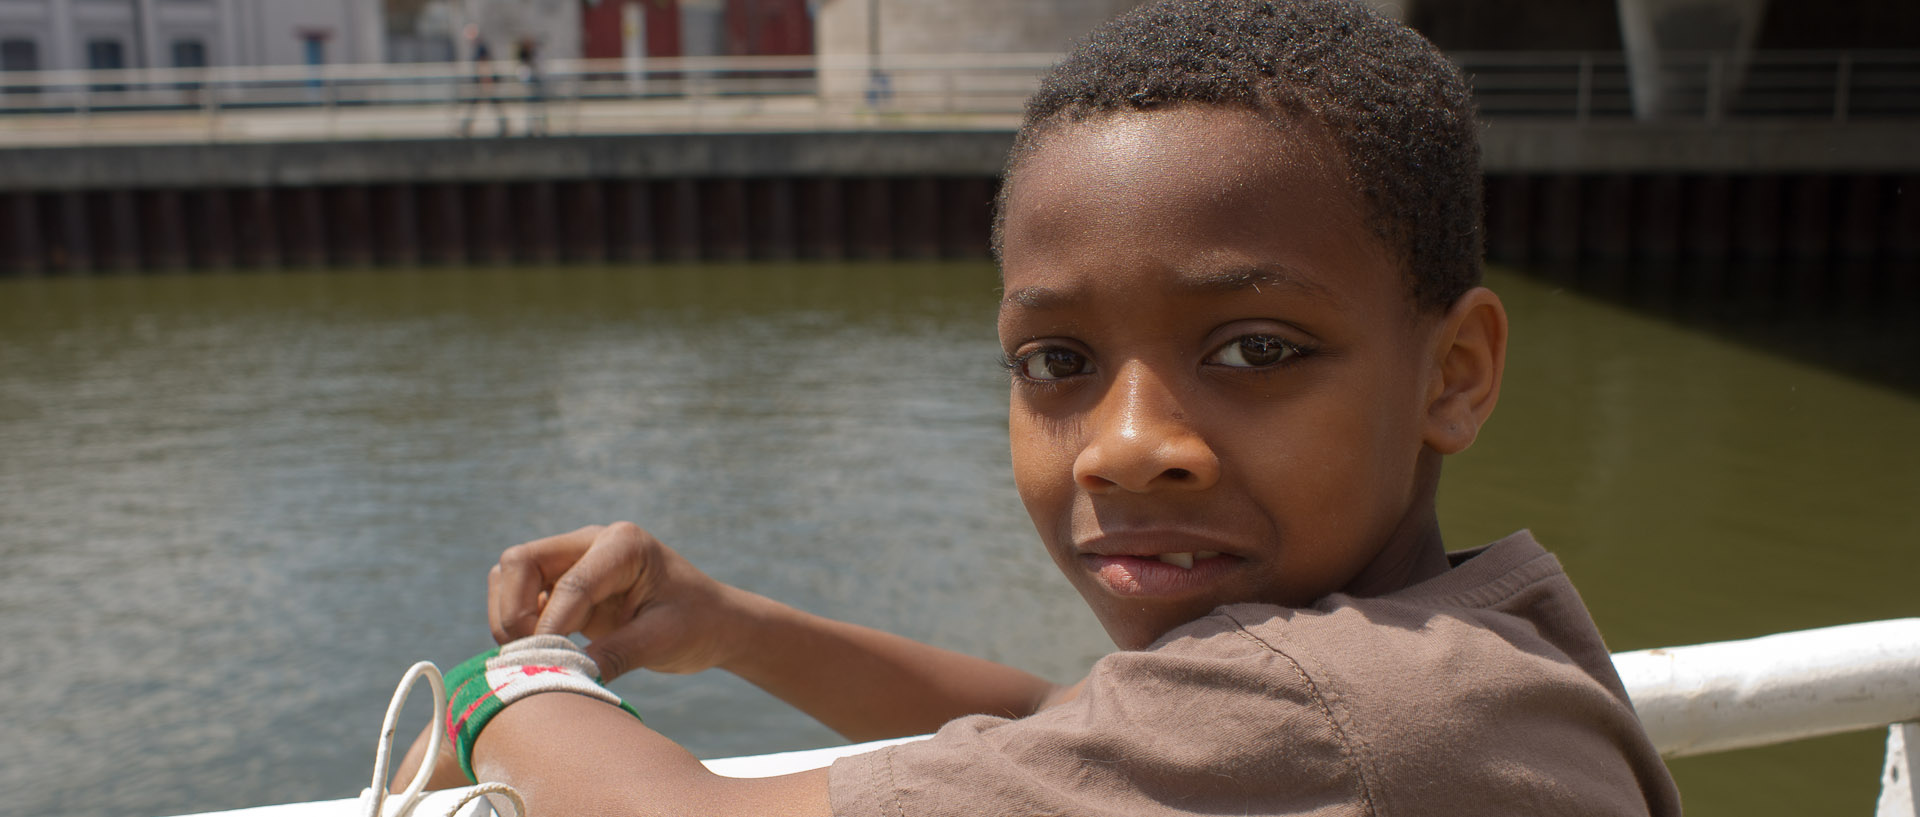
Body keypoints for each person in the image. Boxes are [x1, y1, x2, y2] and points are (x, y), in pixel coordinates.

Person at [396, 0, 1684, 814]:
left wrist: (507, 685)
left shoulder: (1341, 715)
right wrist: (733, 624)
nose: (1131, 447)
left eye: (1254, 347)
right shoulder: (1446, 645)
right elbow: (1051, 727)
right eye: (1057, 362)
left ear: (1454, 372)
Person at [456, 23, 506, 138]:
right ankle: (466, 127)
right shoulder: (479, 47)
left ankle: (466, 128)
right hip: (482, 82)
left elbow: (485, 64)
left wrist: (486, 80)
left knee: (486, 104)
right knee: (485, 104)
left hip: (484, 82)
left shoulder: (481, 48)